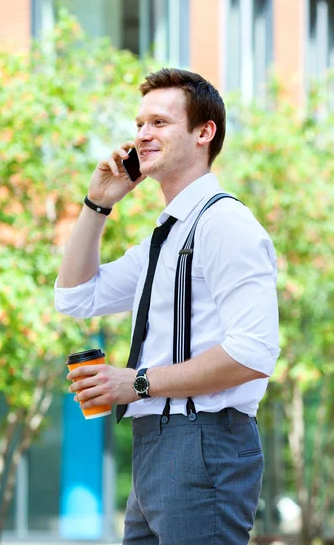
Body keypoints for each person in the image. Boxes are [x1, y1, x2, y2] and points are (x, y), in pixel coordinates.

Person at [55, 68, 280, 544]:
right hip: (156, 441)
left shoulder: (226, 226)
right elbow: (76, 297)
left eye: (159, 122)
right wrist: (97, 204)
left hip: (205, 438)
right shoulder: (167, 235)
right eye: (139, 123)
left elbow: (253, 353)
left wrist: (135, 382)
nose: (142, 134)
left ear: (204, 132)